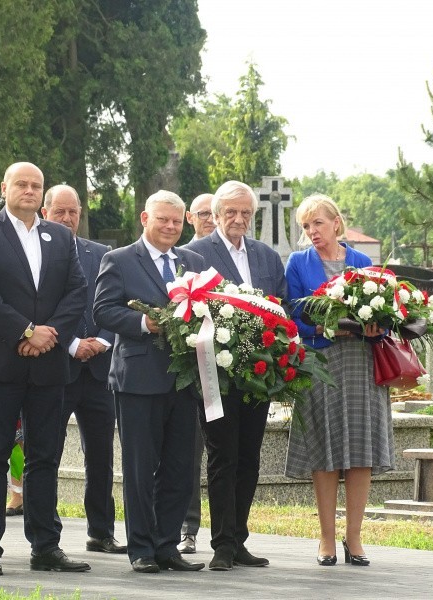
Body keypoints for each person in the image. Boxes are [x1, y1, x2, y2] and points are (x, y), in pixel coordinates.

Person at [0, 162, 89, 576]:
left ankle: (45, 545)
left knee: (44, 456)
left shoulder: (59, 237)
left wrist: (48, 335)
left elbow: (77, 291)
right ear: (4, 188)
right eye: (22, 184)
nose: (30, 191)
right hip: (0, 360)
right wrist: (26, 331)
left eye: (37, 185)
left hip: (49, 364)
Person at [93, 190, 207, 574]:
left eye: (176, 221)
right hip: (138, 379)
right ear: (145, 218)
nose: (170, 227)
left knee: (179, 468)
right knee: (141, 469)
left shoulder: (193, 261)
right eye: (163, 220)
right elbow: (103, 310)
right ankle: (141, 548)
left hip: (184, 380)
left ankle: (167, 545)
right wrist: (145, 323)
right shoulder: (120, 259)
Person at [284, 194, 392, 567]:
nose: (312, 232)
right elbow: (291, 315)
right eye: (305, 226)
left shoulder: (362, 261)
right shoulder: (298, 263)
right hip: (320, 362)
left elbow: (384, 311)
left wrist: (377, 327)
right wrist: (326, 327)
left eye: (317, 223)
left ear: (336, 223)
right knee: (325, 451)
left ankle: (355, 538)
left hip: (362, 365)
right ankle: (327, 539)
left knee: (360, 451)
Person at [186, 180, 287, 571]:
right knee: (222, 455)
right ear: (214, 215)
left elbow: (282, 308)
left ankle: (239, 537)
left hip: (257, 376)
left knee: (249, 458)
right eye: (231, 212)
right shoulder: (195, 253)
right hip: (215, 375)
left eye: (246, 213)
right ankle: (221, 544)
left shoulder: (266, 256)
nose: (239, 219)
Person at [41, 184, 125, 555]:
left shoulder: (101, 253)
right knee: (47, 452)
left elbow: (115, 301)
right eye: (59, 211)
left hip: (99, 370)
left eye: (73, 212)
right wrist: (72, 343)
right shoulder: (37, 252)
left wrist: (103, 340)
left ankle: (101, 531)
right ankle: (47, 534)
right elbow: (39, 309)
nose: (67, 219)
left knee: (101, 455)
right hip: (57, 366)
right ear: (45, 213)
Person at [179, 192, 217, 554]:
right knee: (188, 453)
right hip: (190, 370)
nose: (210, 218)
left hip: (228, 371)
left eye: (213, 213)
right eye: (203, 213)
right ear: (191, 217)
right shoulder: (184, 258)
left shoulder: (230, 253)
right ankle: (188, 526)